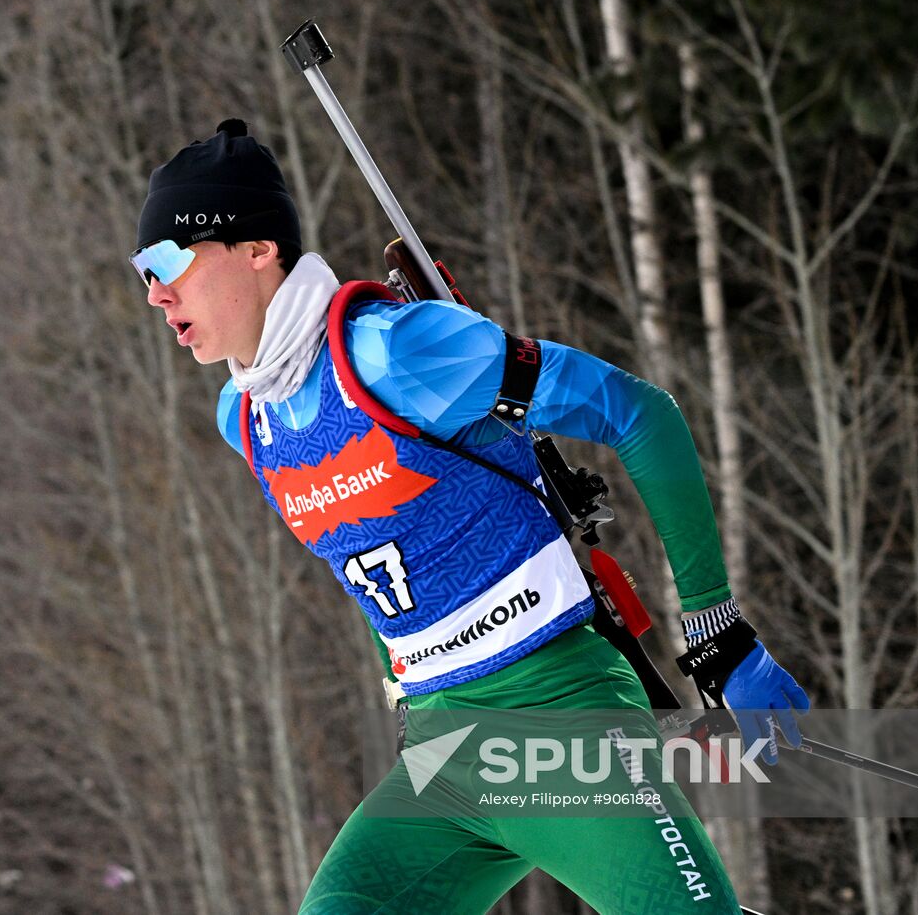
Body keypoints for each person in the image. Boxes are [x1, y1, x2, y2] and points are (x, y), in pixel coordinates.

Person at [133, 119, 809, 914]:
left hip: (557, 721)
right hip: (445, 755)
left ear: (258, 249)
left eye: (172, 259)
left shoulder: (395, 352)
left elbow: (639, 414)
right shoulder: (246, 419)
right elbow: (385, 549)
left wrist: (716, 629)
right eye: (144, 270)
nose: (155, 291)